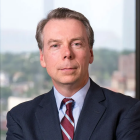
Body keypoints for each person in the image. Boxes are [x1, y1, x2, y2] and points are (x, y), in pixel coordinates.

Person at [6, 8, 140, 140]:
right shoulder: (20, 118)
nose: (67, 54)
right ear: (42, 57)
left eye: (76, 44)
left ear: (91, 53)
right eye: (55, 45)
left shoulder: (126, 111)